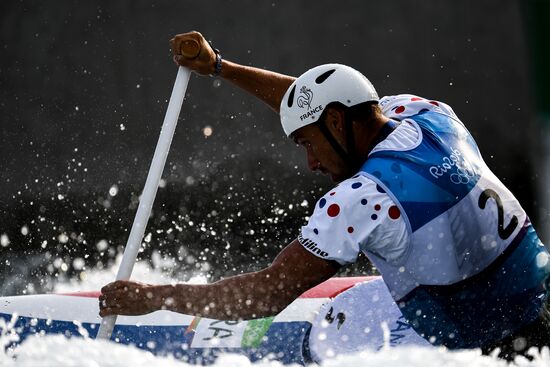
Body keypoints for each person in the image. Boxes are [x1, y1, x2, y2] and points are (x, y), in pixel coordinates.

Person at [100, 31, 550, 359]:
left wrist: (156, 297)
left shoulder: (361, 198)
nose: (312, 164)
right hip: (536, 315)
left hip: (464, 348)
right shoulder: (429, 116)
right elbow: (318, 101)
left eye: (307, 145)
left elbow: (268, 294)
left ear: (336, 125)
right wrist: (220, 67)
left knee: (321, 345)